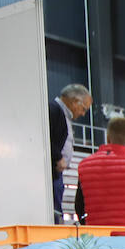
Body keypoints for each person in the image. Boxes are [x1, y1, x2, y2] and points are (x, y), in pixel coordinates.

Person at [50, 84, 92, 224]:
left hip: (57, 173)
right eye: (84, 109)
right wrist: (58, 157)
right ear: (75, 101)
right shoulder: (54, 110)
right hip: (54, 172)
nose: (83, 114)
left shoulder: (61, 113)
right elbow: (48, 138)